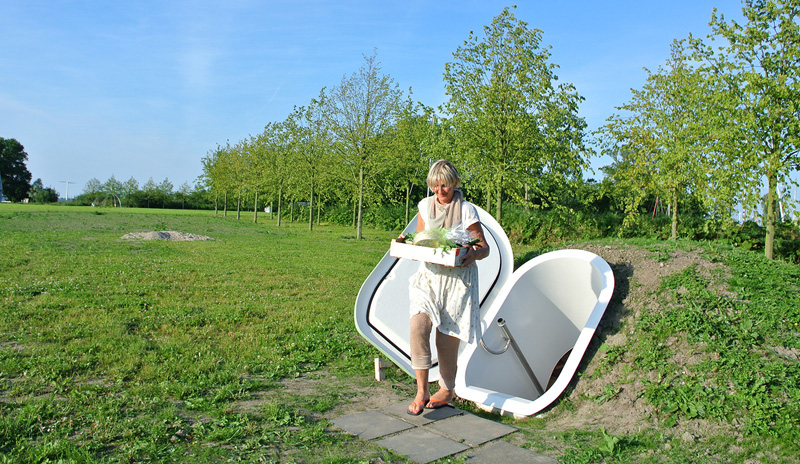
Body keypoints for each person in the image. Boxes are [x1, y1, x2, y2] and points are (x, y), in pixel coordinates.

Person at [403, 159, 490, 415]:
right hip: (429, 277)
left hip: (456, 279)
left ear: (455, 183)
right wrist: (405, 246)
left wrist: (470, 254)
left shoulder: (466, 210)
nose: (441, 191)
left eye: (446, 186)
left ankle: (447, 388)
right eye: (436, 186)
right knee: (418, 325)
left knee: (447, 336)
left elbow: (483, 247)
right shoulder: (424, 206)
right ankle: (421, 390)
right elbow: (419, 240)